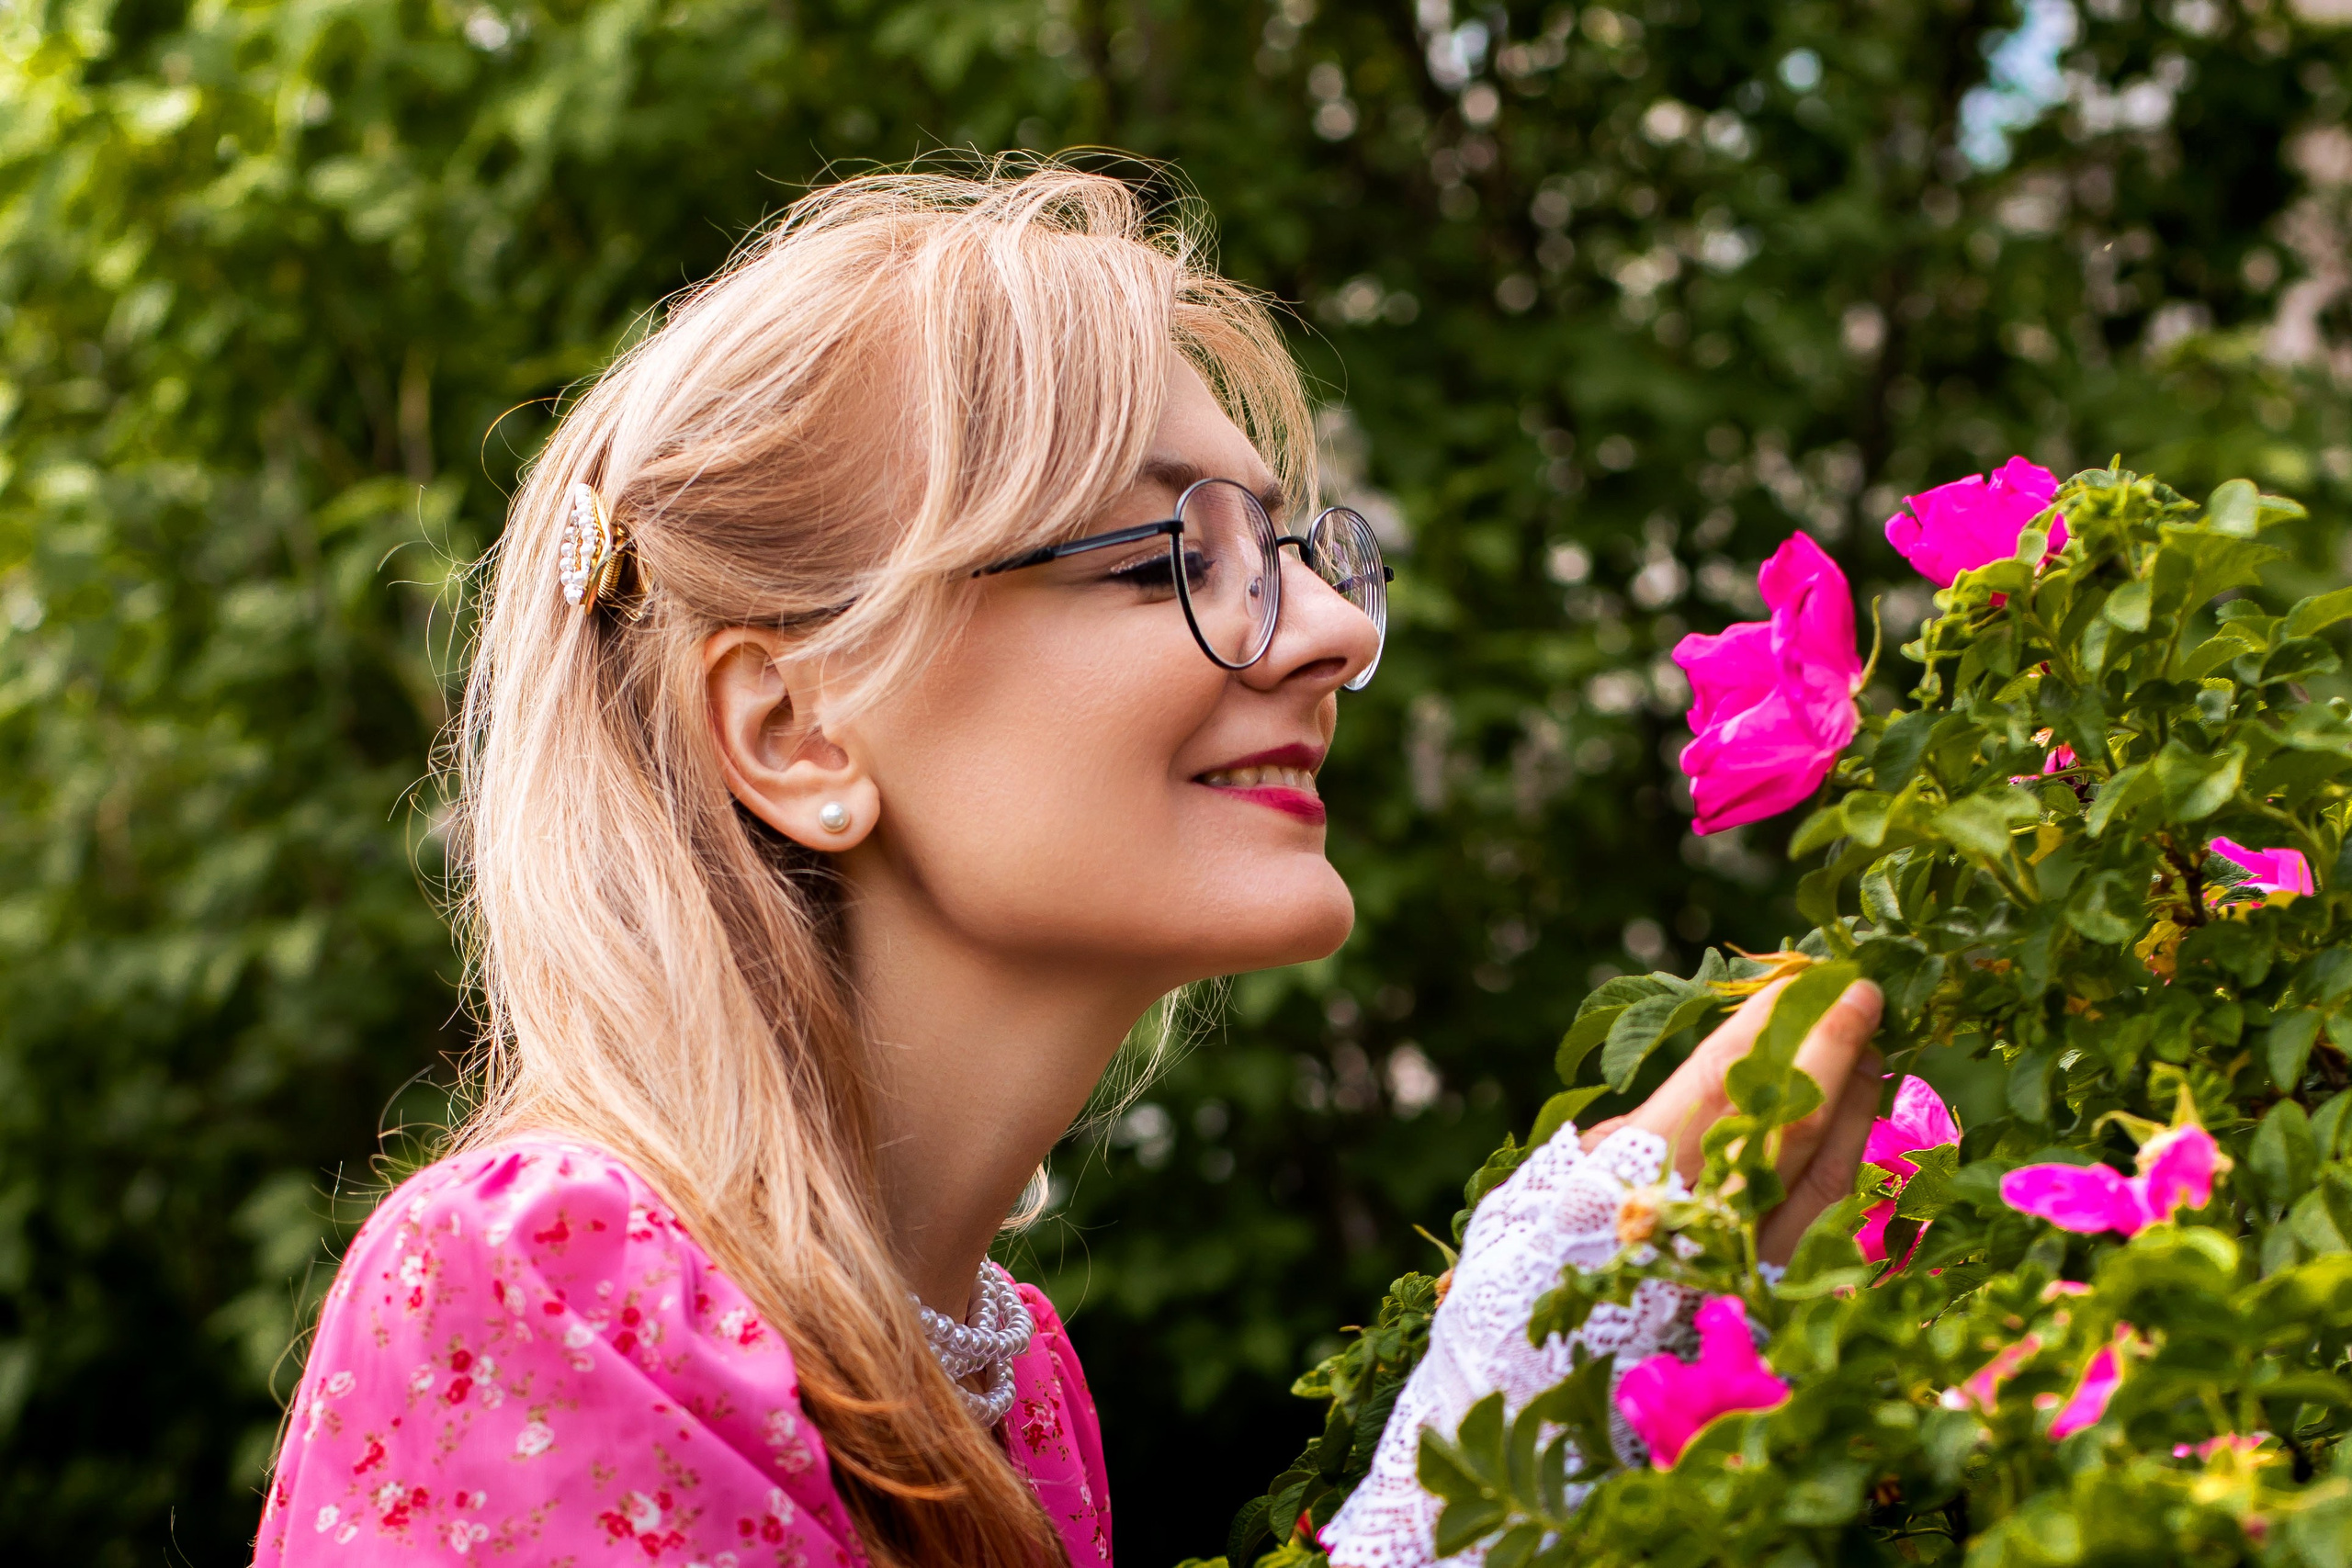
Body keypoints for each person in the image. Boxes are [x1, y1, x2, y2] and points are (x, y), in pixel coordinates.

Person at [252, 163, 1883, 1568]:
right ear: (795, 731)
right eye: (1182, 554)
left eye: (1293, 554)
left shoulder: (1009, 1379)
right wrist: (1476, 1486)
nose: (1326, 633)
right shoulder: (545, 1280)